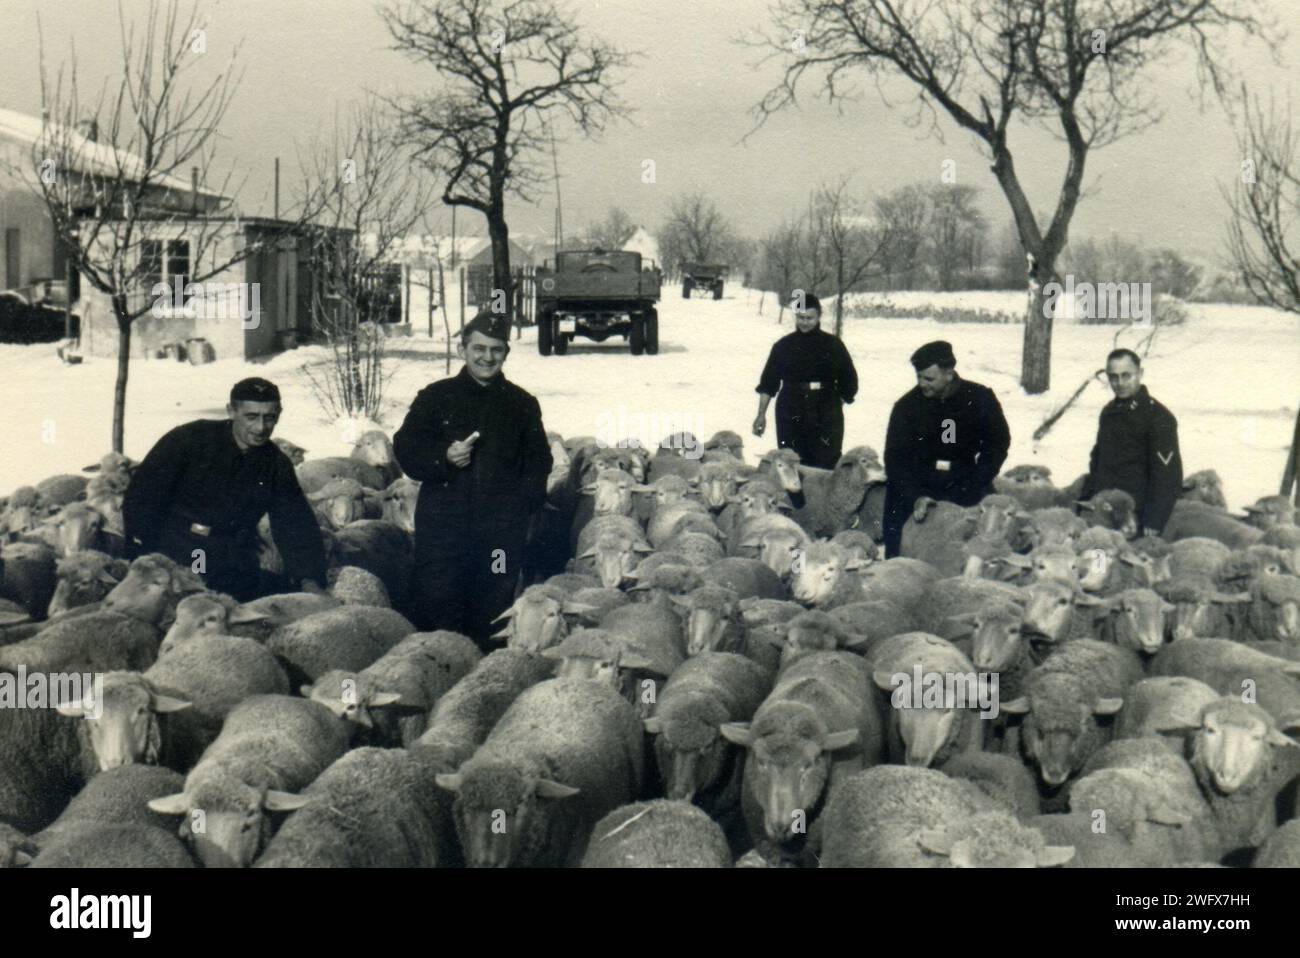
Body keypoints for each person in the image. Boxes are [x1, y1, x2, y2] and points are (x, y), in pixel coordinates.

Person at [393, 308, 552, 646]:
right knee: (439, 613)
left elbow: (539, 463)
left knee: (495, 609)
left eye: (496, 350)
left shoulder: (522, 404)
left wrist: (519, 509)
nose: (487, 357)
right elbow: (406, 448)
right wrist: (443, 457)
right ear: (462, 350)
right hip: (443, 535)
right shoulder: (435, 398)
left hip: (499, 540)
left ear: (506, 353)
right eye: (479, 348)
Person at [122, 377, 327, 600]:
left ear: (279, 414)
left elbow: (295, 522)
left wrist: (309, 579)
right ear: (231, 411)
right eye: (251, 417)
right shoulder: (189, 440)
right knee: (201, 596)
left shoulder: (276, 464)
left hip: (235, 556)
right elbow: (142, 496)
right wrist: (142, 553)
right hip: (187, 549)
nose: (261, 428)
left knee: (277, 600)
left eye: (269, 418)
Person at [882, 340, 1011, 557]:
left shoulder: (979, 398)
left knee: (988, 535)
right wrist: (915, 496)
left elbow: (998, 442)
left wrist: (978, 479)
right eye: (919, 377)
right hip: (918, 483)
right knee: (899, 536)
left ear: (949, 374)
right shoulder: (907, 407)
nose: (922, 384)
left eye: (929, 379)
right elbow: (895, 459)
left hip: (965, 481)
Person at [1082, 348, 1182, 536]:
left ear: (1140, 374)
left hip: (1136, 516)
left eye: (1126, 376)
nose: (1120, 383)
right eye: (1113, 377)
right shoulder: (1108, 412)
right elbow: (1098, 462)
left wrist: (1155, 519)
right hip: (1105, 513)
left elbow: (1168, 476)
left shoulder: (1158, 417)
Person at [752, 292, 858, 468]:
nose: (805, 322)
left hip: (826, 410)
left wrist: (833, 404)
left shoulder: (833, 345)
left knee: (826, 463)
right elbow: (768, 384)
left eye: (810, 318)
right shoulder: (783, 346)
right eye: (801, 317)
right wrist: (761, 414)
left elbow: (850, 381)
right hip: (791, 409)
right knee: (791, 462)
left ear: (819, 316)